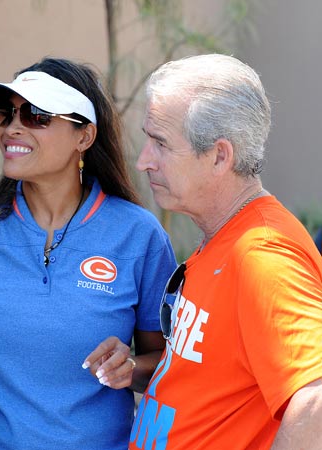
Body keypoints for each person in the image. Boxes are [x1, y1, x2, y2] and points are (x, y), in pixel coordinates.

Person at [0, 57, 176, 450]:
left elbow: (167, 363)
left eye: (36, 115)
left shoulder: (138, 236)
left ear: (83, 136)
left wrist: (131, 366)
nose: (13, 126)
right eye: (6, 113)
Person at [131, 54, 322, 449]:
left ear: (220, 156)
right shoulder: (227, 238)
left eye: (160, 144)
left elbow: (315, 403)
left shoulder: (263, 255)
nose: (143, 161)